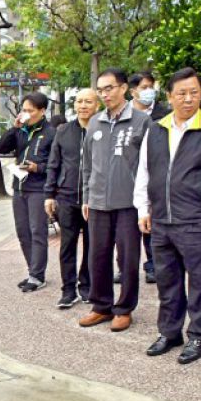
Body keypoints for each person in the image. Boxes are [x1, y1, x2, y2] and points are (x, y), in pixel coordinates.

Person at [135, 67, 201, 364]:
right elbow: (144, 172)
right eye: (181, 93)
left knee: (200, 281)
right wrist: (144, 208)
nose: (188, 99)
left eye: (194, 92)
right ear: (169, 96)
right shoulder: (155, 129)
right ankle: (170, 332)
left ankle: (199, 335)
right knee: (167, 282)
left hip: (197, 220)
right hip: (161, 220)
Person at [78, 69, 150, 332]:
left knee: (128, 258)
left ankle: (124, 308)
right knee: (97, 255)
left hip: (128, 204)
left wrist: (145, 204)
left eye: (109, 88)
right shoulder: (95, 123)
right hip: (97, 202)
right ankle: (101, 306)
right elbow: (88, 164)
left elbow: (149, 165)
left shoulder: (141, 122)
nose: (105, 94)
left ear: (123, 89)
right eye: (101, 89)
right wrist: (87, 195)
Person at [0, 92, 56, 292]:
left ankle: (37, 276)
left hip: (38, 188)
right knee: (23, 232)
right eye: (24, 110)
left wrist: (37, 168)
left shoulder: (51, 133)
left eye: (30, 110)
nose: (26, 114)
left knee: (37, 231)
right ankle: (33, 271)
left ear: (42, 111)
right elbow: (1, 147)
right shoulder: (21, 131)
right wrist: (15, 128)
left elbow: (57, 164)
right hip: (19, 187)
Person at [44, 89, 97, 308]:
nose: (83, 105)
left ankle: (87, 287)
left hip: (95, 199)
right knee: (68, 244)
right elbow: (53, 163)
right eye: (80, 102)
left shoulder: (101, 129)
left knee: (93, 246)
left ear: (97, 105)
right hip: (66, 197)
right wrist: (49, 194)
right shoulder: (64, 131)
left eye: (88, 102)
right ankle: (68, 290)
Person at [128, 71, 167, 284]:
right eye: (143, 87)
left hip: (154, 177)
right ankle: (125, 266)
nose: (148, 91)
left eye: (150, 86)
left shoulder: (162, 115)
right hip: (127, 176)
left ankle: (153, 265)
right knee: (126, 227)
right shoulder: (123, 114)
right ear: (132, 91)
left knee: (150, 222)